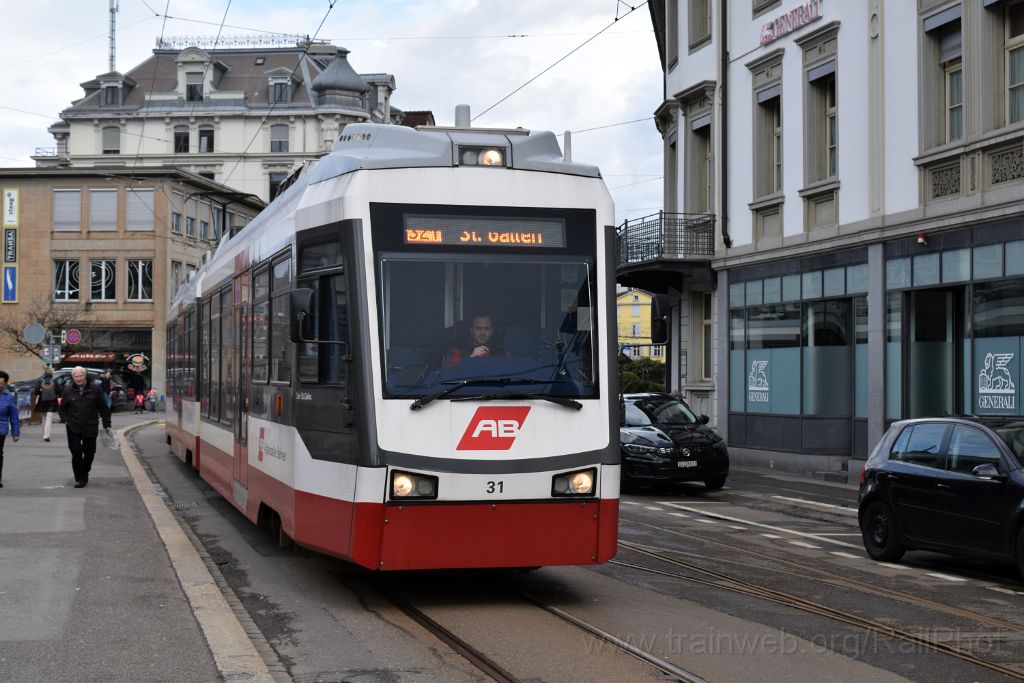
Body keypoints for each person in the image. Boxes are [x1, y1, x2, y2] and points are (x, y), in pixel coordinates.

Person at [58, 366, 111, 488]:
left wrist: (107, 424)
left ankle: (85, 472)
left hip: (90, 426)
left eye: (80, 376)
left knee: (89, 453)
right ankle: (79, 478)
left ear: (85, 376)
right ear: (73, 378)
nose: (79, 379)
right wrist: (66, 419)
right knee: (76, 452)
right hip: (73, 426)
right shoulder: (67, 390)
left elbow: (103, 408)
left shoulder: (95, 389)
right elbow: (62, 409)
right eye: (76, 377)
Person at [0, 371, 20, 488]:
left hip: (1, 429)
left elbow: (14, 416)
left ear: (5, 384)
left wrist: (15, 433)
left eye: (1, 383)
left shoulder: (9, 398)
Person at [32, 369, 59, 442]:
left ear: (44, 374)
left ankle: (44, 433)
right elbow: (59, 391)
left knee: (44, 418)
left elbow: (36, 391)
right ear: (52, 374)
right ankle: (46, 436)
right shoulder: (55, 381)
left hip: (42, 402)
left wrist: (41, 392)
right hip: (52, 402)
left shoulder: (40, 381)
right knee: (49, 419)